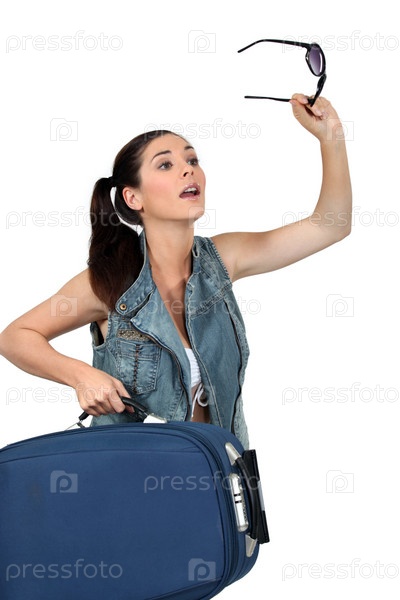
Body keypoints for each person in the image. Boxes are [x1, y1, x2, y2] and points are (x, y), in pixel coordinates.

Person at [0, 94, 351, 449]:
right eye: (165, 165)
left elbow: (330, 226)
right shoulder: (110, 283)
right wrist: (80, 376)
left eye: (192, 159)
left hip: (223, 470)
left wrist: (331, 136)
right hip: (132, 475)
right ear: (133, 198)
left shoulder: (221, 261)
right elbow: (15, 337)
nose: (188, 169)